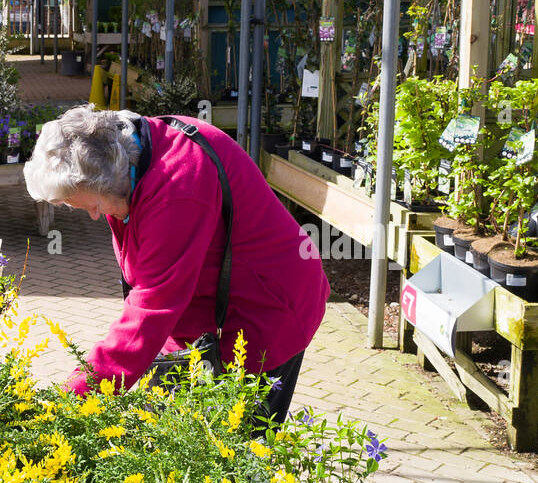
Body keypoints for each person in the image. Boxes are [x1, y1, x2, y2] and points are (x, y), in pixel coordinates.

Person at [22, 105, 329, 425]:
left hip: (269, 311)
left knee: (231, 454)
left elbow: (150, 311)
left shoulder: (177, 189)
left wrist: (70, 401)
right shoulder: (132, 158)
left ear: (103, 182)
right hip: (208, 312)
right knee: (175, 437)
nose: (95, 215)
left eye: (93, 205)